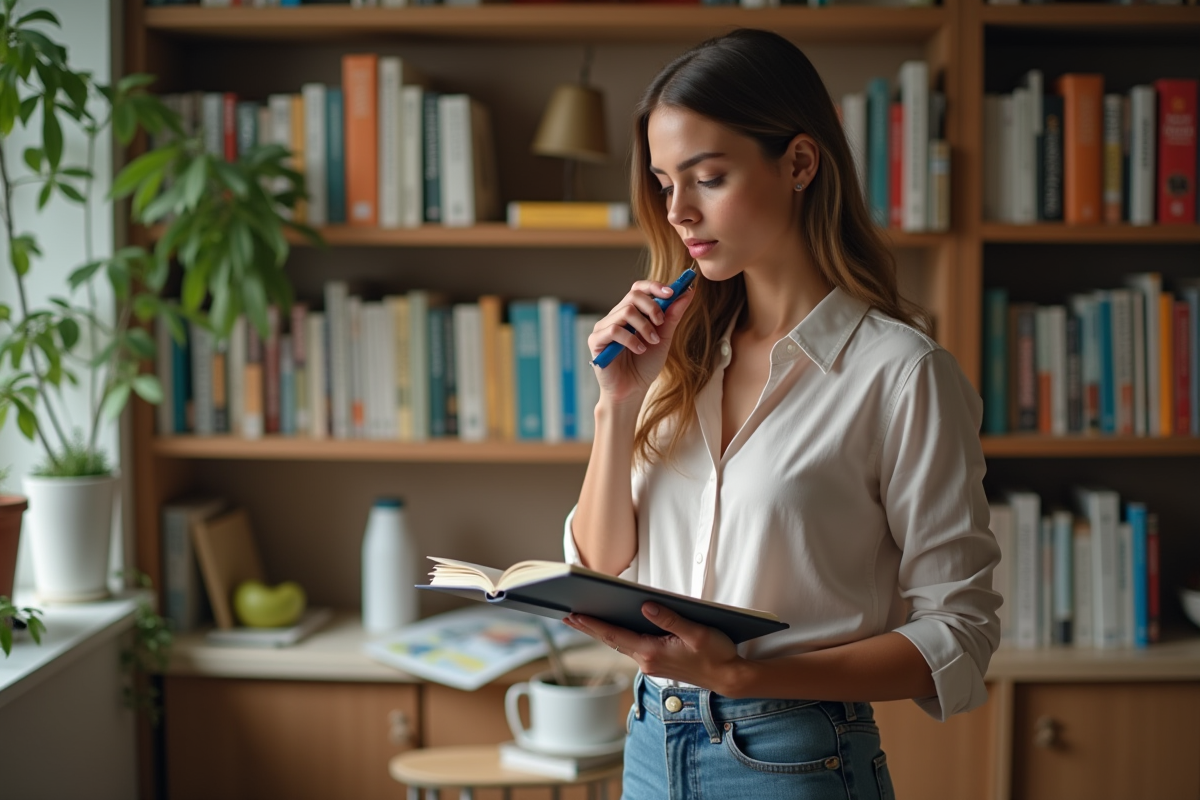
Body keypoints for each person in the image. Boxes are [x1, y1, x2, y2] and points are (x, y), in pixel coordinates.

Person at [559, 28, 1002, 800]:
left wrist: (741, 672)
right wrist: (617, 406)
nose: (680, 213)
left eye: (709, 177)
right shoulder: (673, 359)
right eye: (665, 184)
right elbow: (601, 569)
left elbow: (957, 634)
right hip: (647, 743)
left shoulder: (900, 373)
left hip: (794, 755)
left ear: (799, 163)